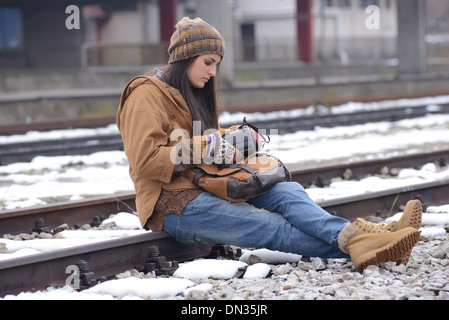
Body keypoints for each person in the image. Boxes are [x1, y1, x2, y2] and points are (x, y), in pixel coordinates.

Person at [116, 17, 422, 273]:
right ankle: (375, 242)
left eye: (216, 65)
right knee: (269, 226)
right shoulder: (145, 95)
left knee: (287, 192)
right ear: (185, 58)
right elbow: (145, 160)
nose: (213, 73)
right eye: (208, 62)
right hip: (173, 206)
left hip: (210, 186)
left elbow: (204, 136)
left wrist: (236, 135)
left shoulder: (187, 95)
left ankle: (375, 237)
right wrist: (204, 146)